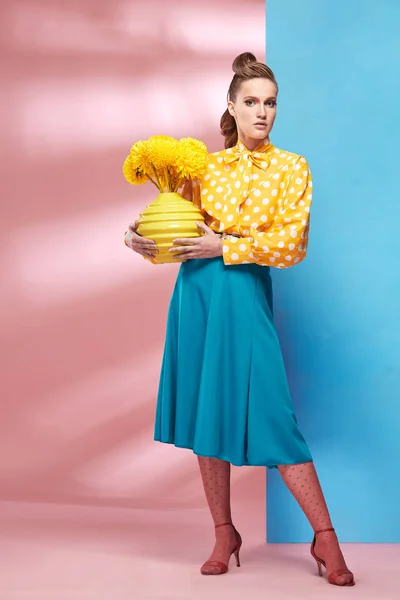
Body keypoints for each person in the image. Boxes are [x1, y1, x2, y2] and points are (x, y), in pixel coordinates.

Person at [124, 52, 355, 586]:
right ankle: (223, 532)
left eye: (270, 103)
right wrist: (140, 240)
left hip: (243, 298)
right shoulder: (203, 168)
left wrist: (222, 244)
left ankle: (325, 539)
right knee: (207, 415)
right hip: (197, 298)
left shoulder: (292, 167)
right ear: (231, 105)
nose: (262, 112)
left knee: (275, 418)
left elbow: (290, 244)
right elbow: (174, 232)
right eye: (251, 102)